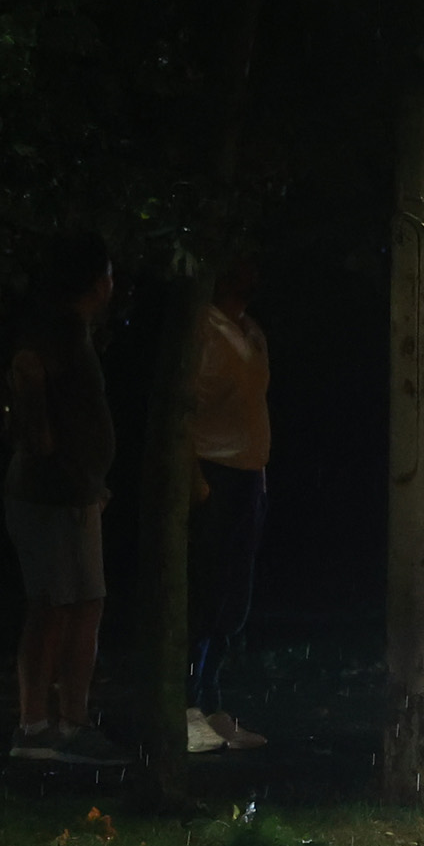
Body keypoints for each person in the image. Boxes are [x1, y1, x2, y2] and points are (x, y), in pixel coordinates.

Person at [0, 236, 127, 766]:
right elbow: (27, 378)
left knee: (82, 603)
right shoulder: (57, 333)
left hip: (75, 491)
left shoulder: (72, 332)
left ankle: (71, 721)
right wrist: (45, 445)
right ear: (97, 282)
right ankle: (39, 726)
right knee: (54, 604)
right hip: (53, 495)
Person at [180, 262, 273, 755]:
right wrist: (193, 475)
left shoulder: (250, 331)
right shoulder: (202, 327)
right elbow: (186, 403)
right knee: (206, 588)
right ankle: (187, 706)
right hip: (213, 469)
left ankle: (211, 700)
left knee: (235, 593)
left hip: (247, 473)